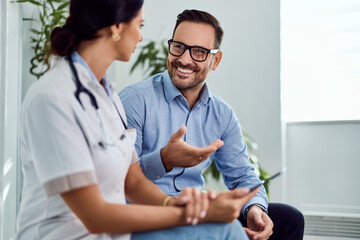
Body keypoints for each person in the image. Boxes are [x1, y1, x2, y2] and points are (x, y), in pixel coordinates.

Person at [16, 1, 259, 240]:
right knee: (226, 231)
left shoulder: (106, 96)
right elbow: (94, 216)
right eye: (140, 25)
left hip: (112, 233)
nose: (141, 37)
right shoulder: (53, 97)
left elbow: (131, 180)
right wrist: (192, 215)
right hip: (69, 235)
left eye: (197, 51)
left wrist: (181, 206)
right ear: (116, 27)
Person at [119, 9, 305, 240]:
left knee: (289, 219)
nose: (184, 59)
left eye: (198, 52)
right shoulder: (135, 100)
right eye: (178, 46)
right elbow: (121, 178)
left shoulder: (222, 113)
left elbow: (243, 176)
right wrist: (165, 159)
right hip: (150, 214)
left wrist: (254, 209)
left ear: (215, 60)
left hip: (197, 212)